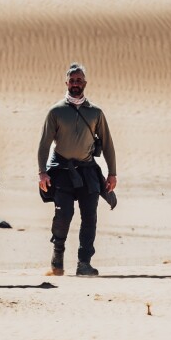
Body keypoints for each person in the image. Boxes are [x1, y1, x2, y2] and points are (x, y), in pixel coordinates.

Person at [37, 62, 117, 276]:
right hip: (62, 171)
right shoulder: (56, 111)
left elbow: (107, 144)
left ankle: (84, 263)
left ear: (85, 83)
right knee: (63, 215)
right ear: (66, 83)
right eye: (72, 80)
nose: (75, 84)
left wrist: (112, 173)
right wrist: (42, 172)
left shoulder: (95, 112)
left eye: (79, 80)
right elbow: (44, 144)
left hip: (87, 171)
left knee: (90, 217)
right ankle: (57, 255)